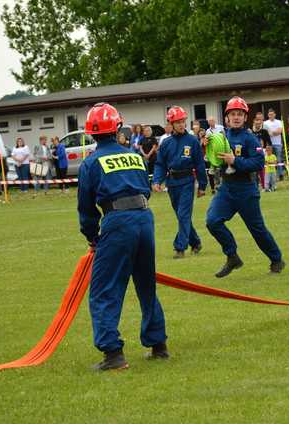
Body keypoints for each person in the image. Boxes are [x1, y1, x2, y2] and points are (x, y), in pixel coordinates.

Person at [78, 102, 168, 371]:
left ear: (91, 133)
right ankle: (158, 344)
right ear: (118, 127)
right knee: (145, 284)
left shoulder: (91, 163)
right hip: (144, 218)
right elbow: (146, 190)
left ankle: (113, 355)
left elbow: (86, 208)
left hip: (117, 223)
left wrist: (93, 237)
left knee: (104, 290)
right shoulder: (134, 156)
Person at [206, 96, 285, 277]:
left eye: (240, 114)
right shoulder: (221, 136)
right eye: (232, 114)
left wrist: (236, 160)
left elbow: (258, 163)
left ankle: (276, 259)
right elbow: (215, 159)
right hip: (226, 188)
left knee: (257, 230)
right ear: (227, 117)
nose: (236, 117)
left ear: (245, 117)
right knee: (212, 221)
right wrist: (209, 149)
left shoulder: (250, 138)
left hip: (246, 189)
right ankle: (232, 256)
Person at [153, 106, 207, 258]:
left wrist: (202, 186)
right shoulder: (166, 143)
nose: (182, 125)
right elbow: (160, 164)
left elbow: (200, 165)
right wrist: (157, 180)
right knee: (182, 216)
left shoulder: (192, 141)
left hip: (187, 182)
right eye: (178, 122)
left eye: (183, 121)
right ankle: (195, 242)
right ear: (171, 123)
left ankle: (180, 247)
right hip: (172, 183)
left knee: (183, 215)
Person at [263, 109, 285, 181]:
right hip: (269, 144)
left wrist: (270, 132)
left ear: (275, 114)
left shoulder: (279, 122)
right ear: (268, 115)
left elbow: (279, 132)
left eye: (272, 114)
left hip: (278, 143)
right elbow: (265, 133)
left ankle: (280, 175)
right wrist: (273, 132)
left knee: (278, 159)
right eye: (269, 114)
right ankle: (270, 175)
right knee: (268, 160)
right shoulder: (265, 123)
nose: (271, 116)